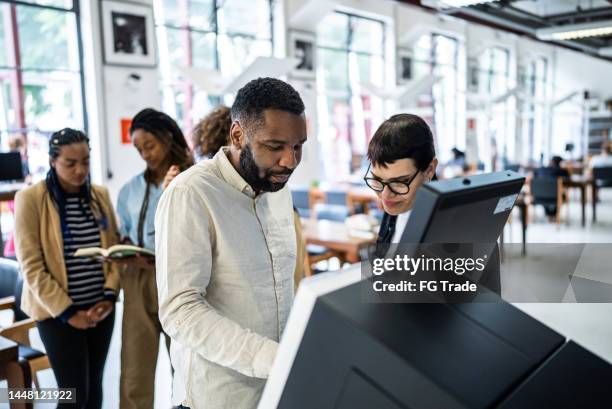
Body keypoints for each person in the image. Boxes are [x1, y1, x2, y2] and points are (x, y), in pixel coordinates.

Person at [155, 77, 307, 409]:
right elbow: (180, 309)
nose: (290, 161)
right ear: (238, 135)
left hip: (278, 390)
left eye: (298, 146)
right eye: (276, 146)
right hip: (218, 397)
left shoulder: (278, 188)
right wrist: (274, 358)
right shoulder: (191, 194)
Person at [14, 128, 120, 409]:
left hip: (100, 309)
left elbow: (112, 252)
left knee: (94, 387)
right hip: (57, 314)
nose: (80, 170)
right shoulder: (31, 199)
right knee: (72, 393)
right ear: (52, 161)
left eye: (85, 161)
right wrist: (69, 313)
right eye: (70, 163)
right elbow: (31, 266)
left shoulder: (99, 195)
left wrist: (108, 297)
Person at [364, 113, 501, 294]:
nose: (385, 194)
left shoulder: (463, 233)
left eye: (400, 181)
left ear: (429, 169)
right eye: (377, 180)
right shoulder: (395, 205)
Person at [115, 108, 193, 409]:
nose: (144, 154)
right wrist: (124, 249)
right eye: (138, 149)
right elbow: (123, 232)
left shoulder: (193, 179)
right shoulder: (130, 190)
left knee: (186, 367)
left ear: (168, 137)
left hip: (180, 280)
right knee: (135, 369)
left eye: (149, 145)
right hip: (138, 280)